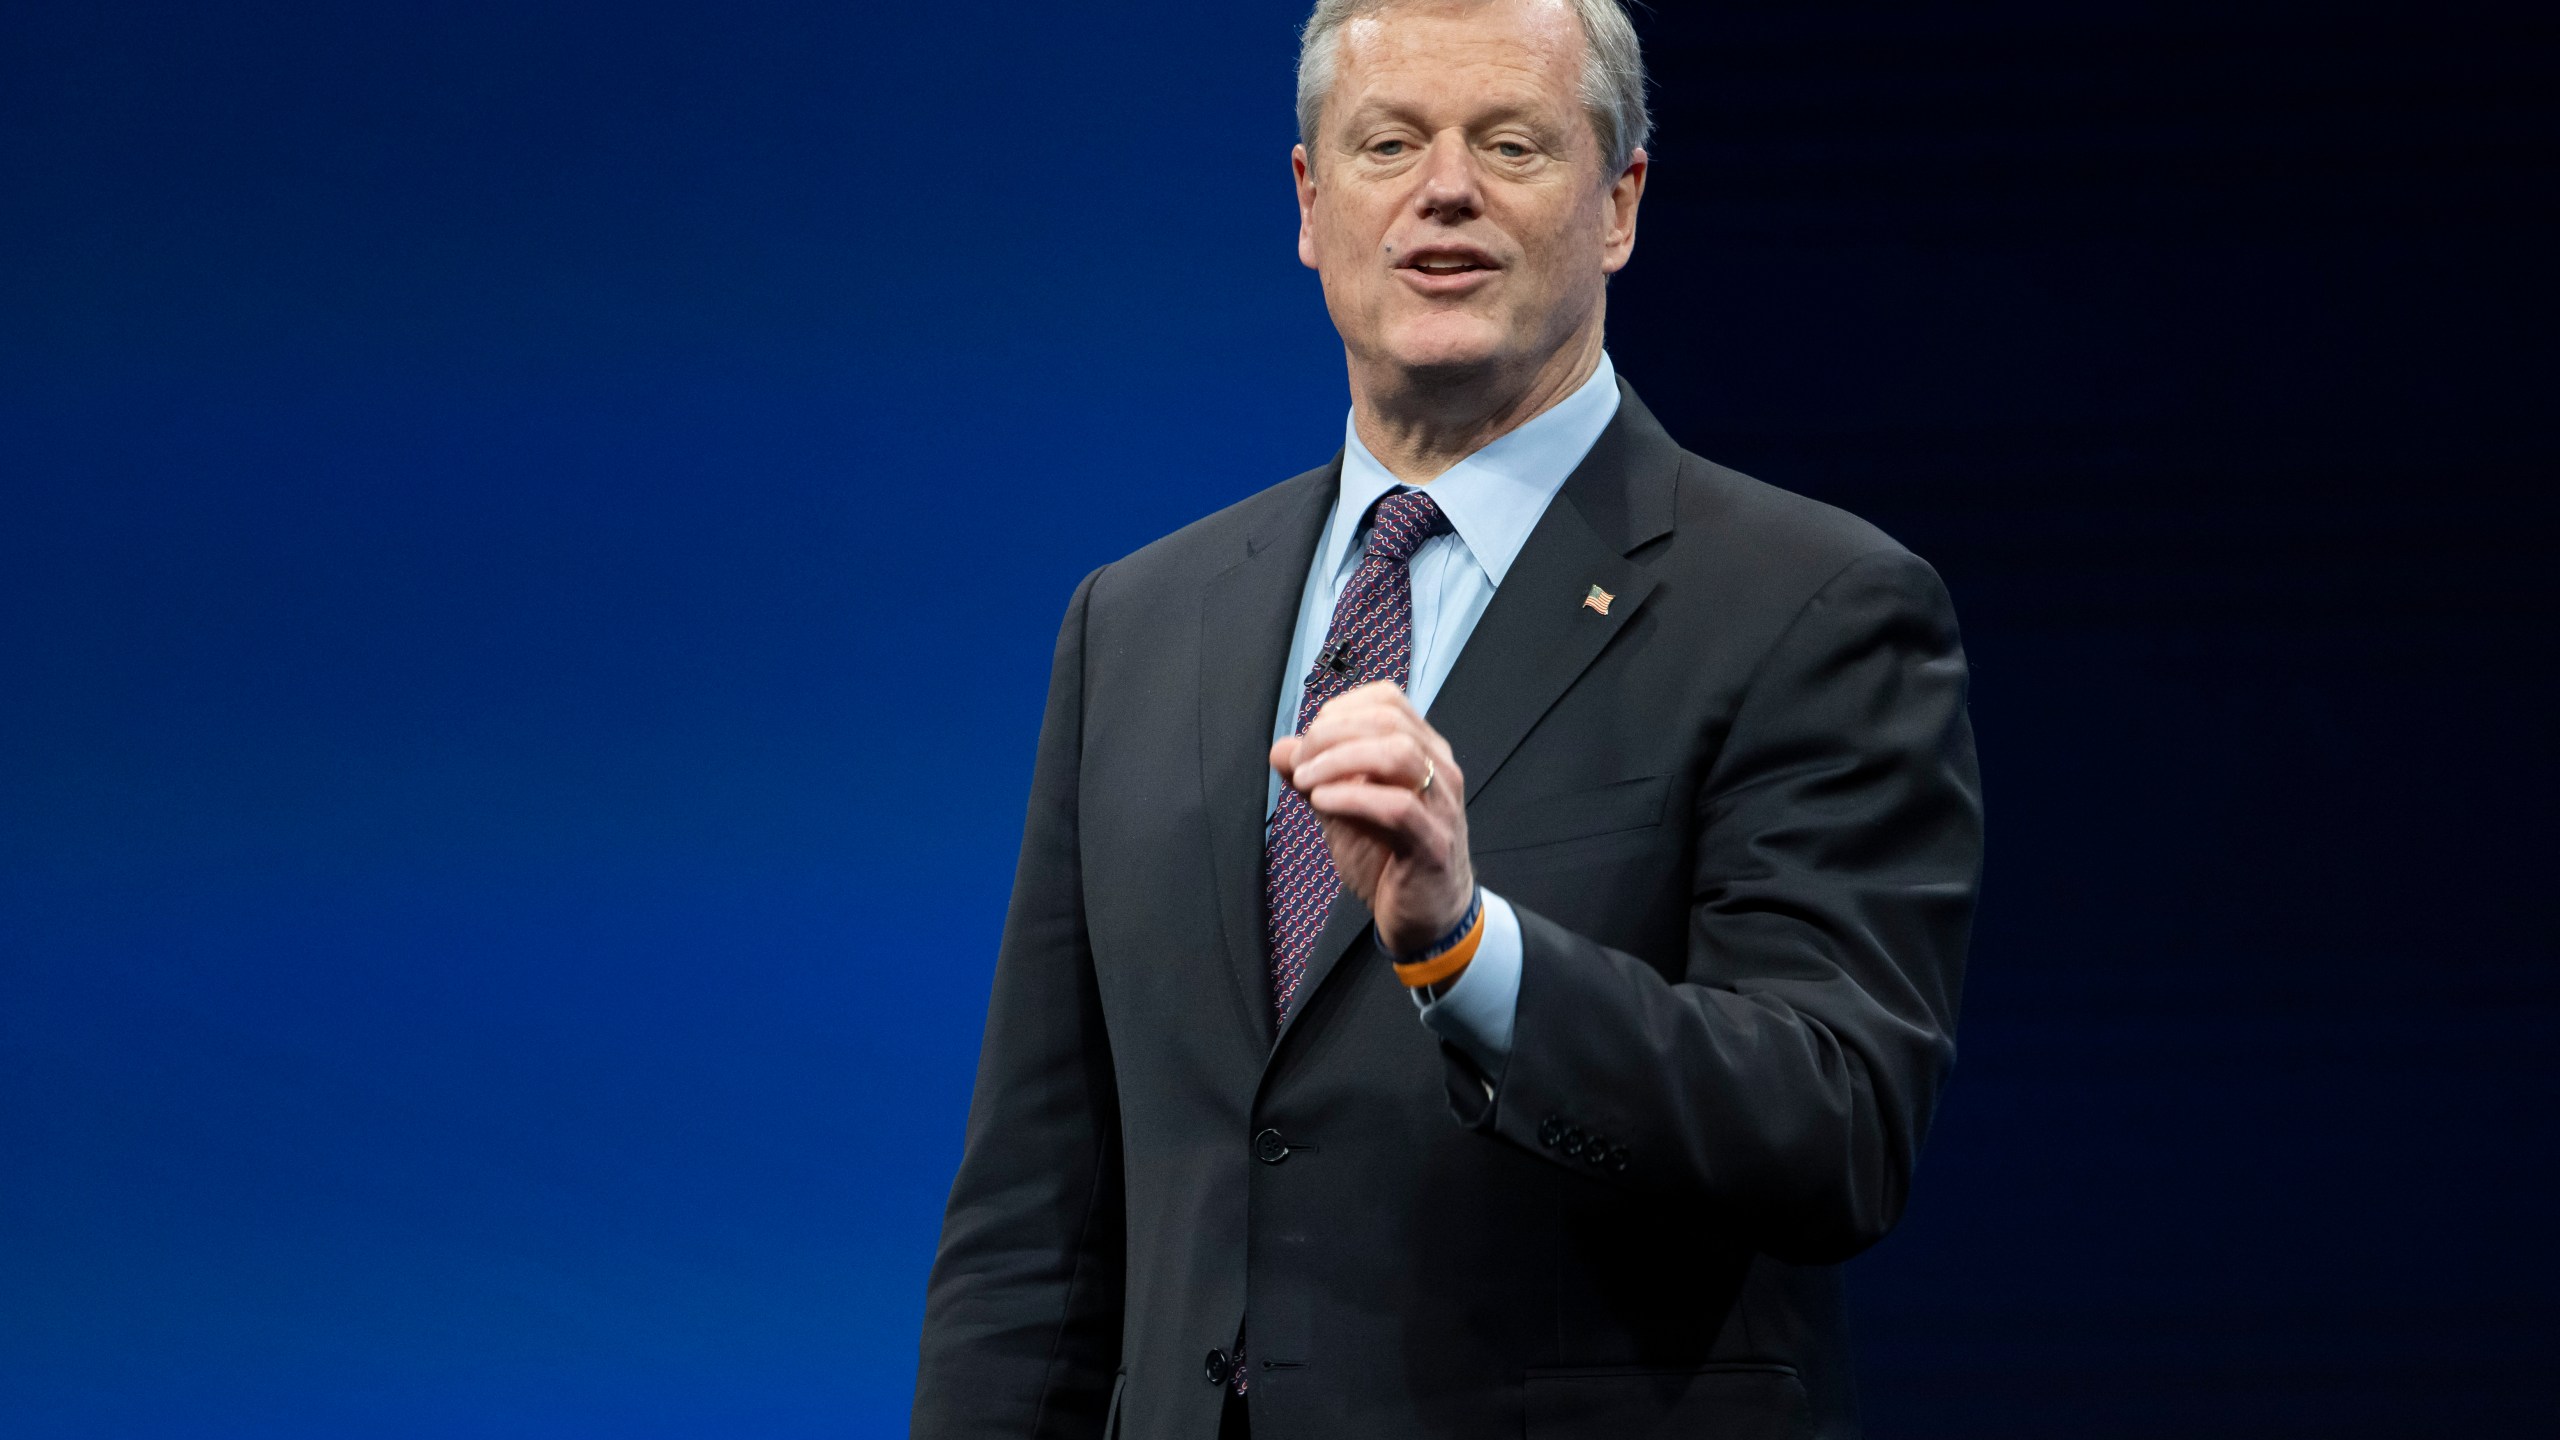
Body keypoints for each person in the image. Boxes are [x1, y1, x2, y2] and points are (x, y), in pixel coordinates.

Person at [911, 1, 1982, 1436]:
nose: (1445, 188)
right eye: (1390, 141)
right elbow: (1032, 1222)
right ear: (1310, 200)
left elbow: (1835, 1128)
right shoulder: (1138, 624)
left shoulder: (1811, 604)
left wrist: (1472, 952)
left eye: (1512, 143)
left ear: (1621, 203)